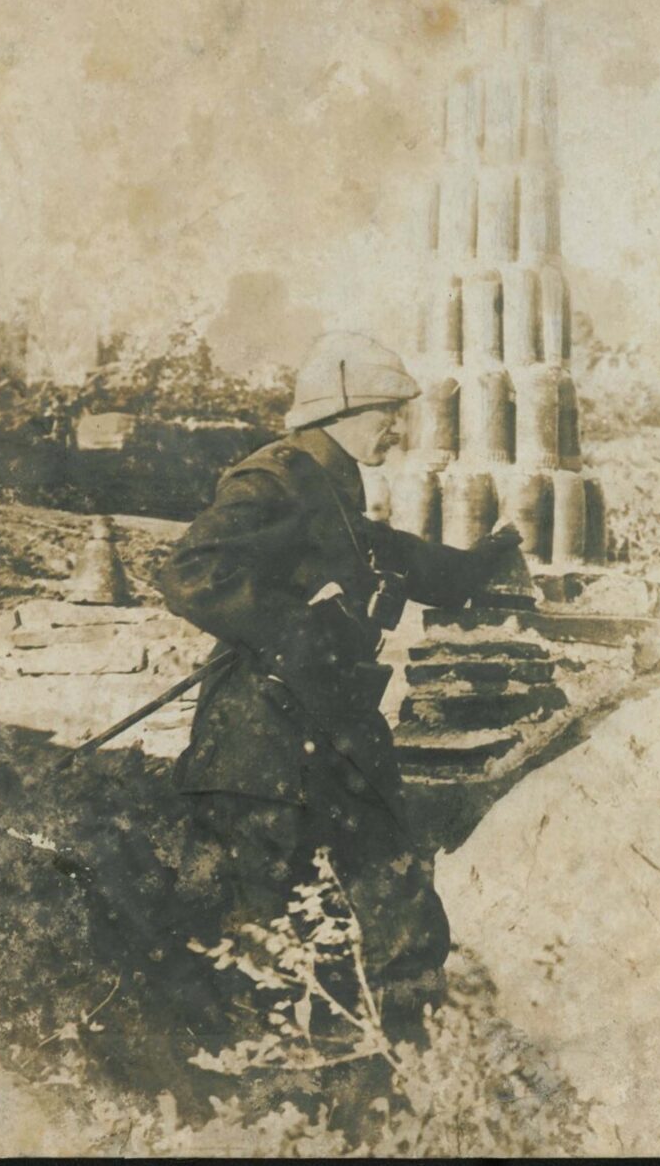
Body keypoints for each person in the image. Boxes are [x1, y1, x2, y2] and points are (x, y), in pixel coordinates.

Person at [155, 331, 519, 1051]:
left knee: (400, 901)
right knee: (260, 931)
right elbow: (192, 572)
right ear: (342, 410)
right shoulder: (273, 478)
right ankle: (260, 1085)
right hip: (261, 740)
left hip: (333, 732)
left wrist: (480, 564)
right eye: (388, 412)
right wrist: (303, 630)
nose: (398, 428)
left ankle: (416, 1067)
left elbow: (390, 554)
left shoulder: (329, 487)